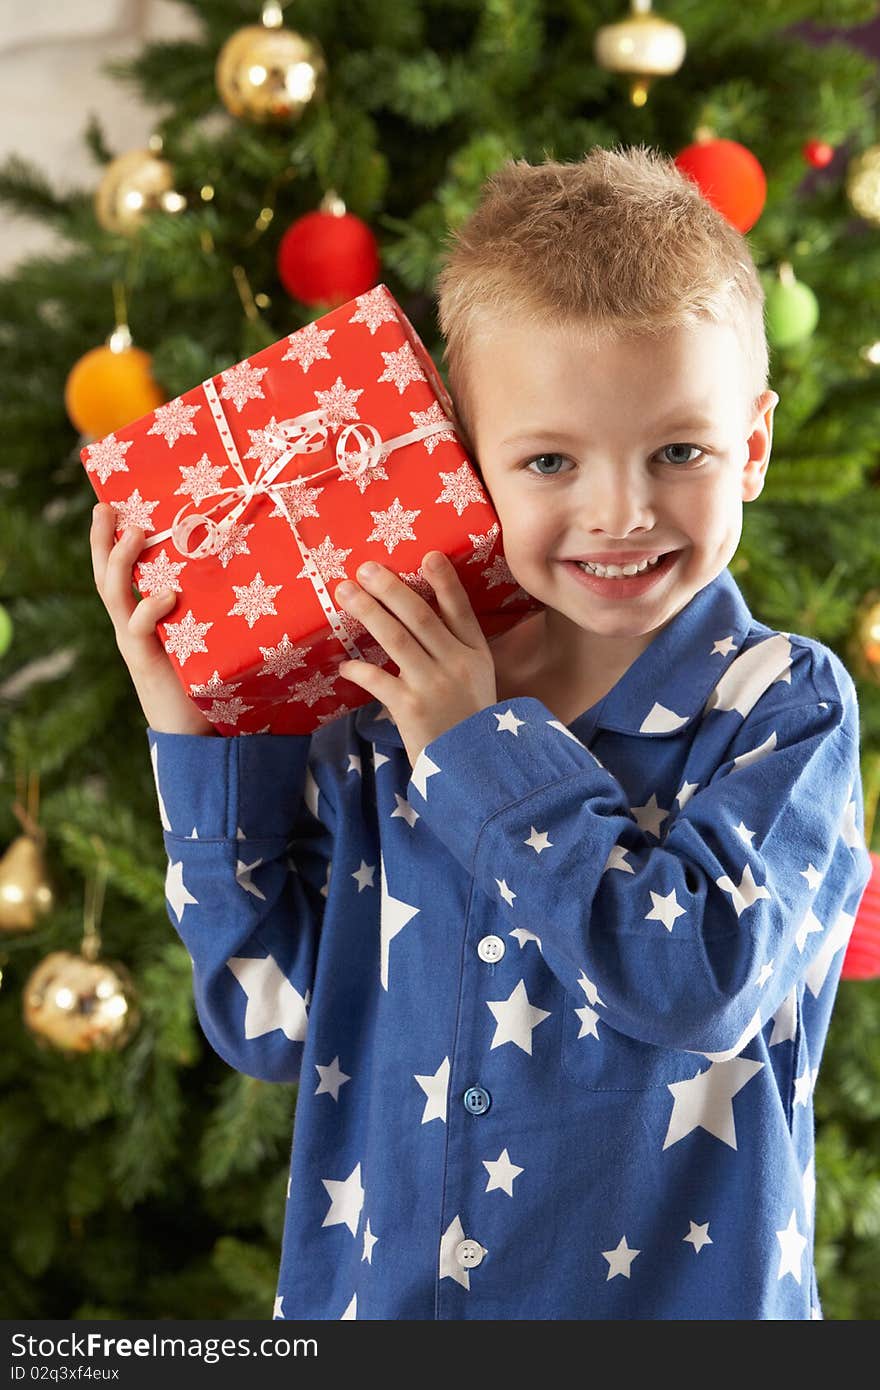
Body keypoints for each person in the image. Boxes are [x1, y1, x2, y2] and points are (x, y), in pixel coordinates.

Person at [90, 144, 872, 1320]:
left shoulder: (779, 701)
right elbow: (271, 1018)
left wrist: (477, 751)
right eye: (550, 459)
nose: (621, 510)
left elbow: (697, 979)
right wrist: (200, 733)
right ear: (463, 455)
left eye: (680, 451)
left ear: (751, 446)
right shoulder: (385, 711)